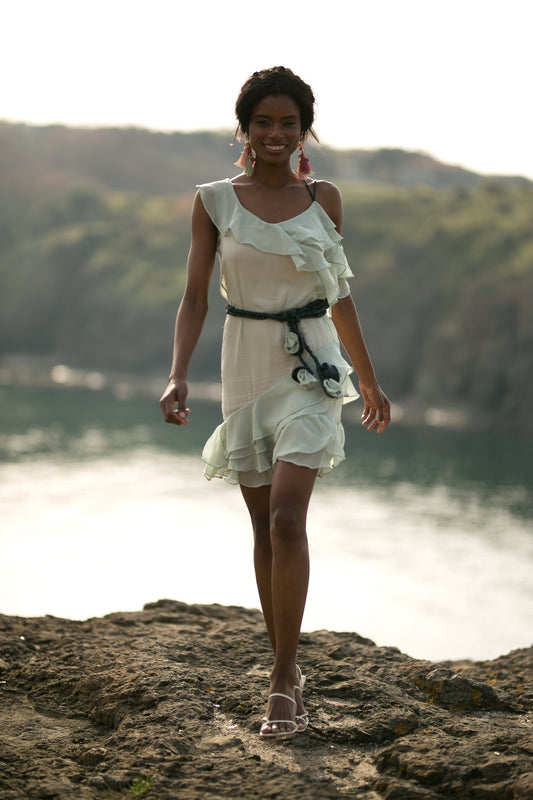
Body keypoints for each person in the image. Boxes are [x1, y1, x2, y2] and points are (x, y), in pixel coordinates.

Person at [160, 66, 390, 739]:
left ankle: (283, 679)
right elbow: (195, 297)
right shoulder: (213, 201)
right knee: (263, 526)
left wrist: (368, 381)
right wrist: (178, 376)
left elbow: (339, 291)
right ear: (244, 127)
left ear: (303, 129)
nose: (274, 134)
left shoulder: (325, 197)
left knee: (288, 519)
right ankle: (283, 664)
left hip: (314, 368)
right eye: (262, 122)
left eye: (287, 122)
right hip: (245, 360)